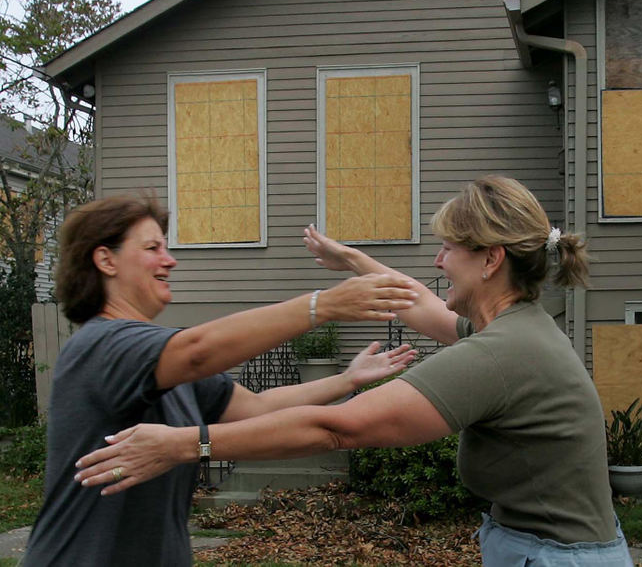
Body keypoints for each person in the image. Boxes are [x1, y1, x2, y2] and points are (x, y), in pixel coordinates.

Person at [74, 177, 635, 566]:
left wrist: (184, 446)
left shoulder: (500, 353)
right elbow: (419, 303)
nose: (437, 261)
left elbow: (338, 428)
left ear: (490, 259)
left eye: (447, 249)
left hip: (558, 558)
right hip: (542, 547)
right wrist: (354, 262)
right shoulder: (519, 329)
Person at [23, 194, 418, 567]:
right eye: (152, 249)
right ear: (106, 260)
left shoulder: (163, 365)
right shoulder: (101, 346)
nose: (170, 260)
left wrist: (347, 380)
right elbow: (197, 350)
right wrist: (323, 305)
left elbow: (258, 408)